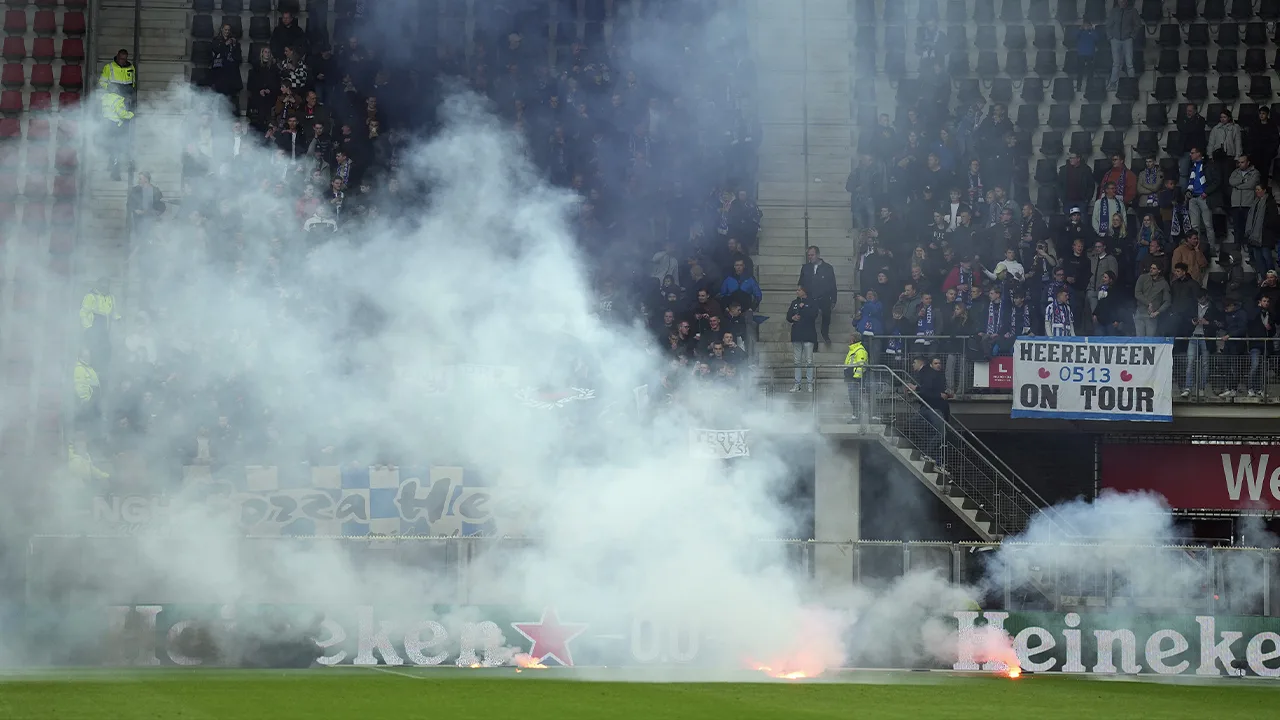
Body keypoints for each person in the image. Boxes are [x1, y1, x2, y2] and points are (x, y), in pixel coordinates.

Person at [908, 356, 952, 471]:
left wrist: (945, 394)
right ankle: (927, 454)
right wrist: (938, 395)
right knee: (940, 434)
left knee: (936, 434)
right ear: (931, 365)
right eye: (936, 363)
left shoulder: (933, 375)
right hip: (932, 408)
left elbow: (928, 390)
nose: (939, 365)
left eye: (939, 363)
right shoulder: (929, 374)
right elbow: (926, 391)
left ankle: (934, 459)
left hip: (933, 408)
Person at [99, 49, 136, 180]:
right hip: (115, 110)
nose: (123, 61)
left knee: (124, 140)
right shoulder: (109, 67)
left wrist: (130, 98)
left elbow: (132, 84)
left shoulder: (131, 67)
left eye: (125, 59)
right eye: (121, 58)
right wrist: (111, 89)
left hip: (125, 101)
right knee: (116, 142)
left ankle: (122, 162)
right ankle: (115, 163)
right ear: (117, 57)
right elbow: (102, 82)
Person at [798, 246, 838, 346]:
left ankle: (825, 334)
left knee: (826, 315)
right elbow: (801, 283)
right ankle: (813, 341)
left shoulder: (828, 268)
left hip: (824, 297)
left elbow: (833, 284)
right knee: (809, 318)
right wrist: (800, 297)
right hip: (810, 297)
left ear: (818, 255)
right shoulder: (805, 268)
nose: (810, 257)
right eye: (809, 255)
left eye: (812, 255)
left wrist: (834, 300)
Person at [787, 286, 819, 392]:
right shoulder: (793, 302)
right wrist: (793, 318)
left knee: (809, 360)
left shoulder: (812, 302)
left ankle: (810, 383)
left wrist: (804, 307)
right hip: (796, 334)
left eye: (799, 290)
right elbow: (788, 316)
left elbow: (814, 315)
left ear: (805, 291)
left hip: (808, 334)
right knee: (797, 361)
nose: (797, 291)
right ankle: (797, 384)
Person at [1105, 0, 1141, 90]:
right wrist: (1110, 37)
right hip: (1115, 40)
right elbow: (1108, 25)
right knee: (1116, 63)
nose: (1122, 2)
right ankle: (1113, 83)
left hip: (1127, 39)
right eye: (1121, 1)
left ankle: (1132, 84)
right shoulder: (1114, 11)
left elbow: (1138, 25)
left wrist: (1132, 36)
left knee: (1129, 63)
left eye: (1124, 1)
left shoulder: (1133, 11)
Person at [844, 331, 870, 423]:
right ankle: (855, 416)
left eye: (851, 337)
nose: (849, 339)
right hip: (851, 378)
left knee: (855, 398)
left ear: (854, 339)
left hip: (855, 379)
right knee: (852, 398)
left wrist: (856, 378)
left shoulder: (860, 350)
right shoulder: (853, 350)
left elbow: (861, 366)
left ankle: (857, 417)